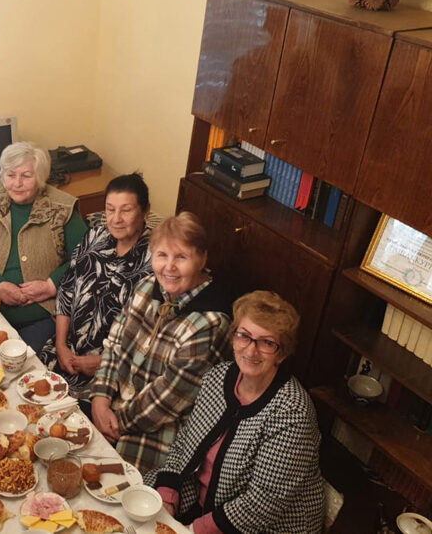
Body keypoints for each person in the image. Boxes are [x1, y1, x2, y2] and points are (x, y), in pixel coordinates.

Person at [144, 291, 325, 533]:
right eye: (244, 336)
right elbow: (185, 442)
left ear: (281, 353)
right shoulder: (218, 376)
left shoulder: (293, 412)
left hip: (264, 525)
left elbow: (263, 505)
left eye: (267, 343)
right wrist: (166, 497)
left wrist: (191, 530)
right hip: (202, 499)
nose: (251, 351)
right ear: (234, 337)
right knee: (138, 505)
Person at [90, 212, 232, 473]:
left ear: (202, 259)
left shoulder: (211, 323)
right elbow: (114, 345)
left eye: (181, 257)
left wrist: (112, 423)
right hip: (111, 408)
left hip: (159, 432)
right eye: (162, 255)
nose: (169, 267)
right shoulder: (147, 286)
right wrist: (100, 397)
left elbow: (168, 399)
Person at [0, 142, 87, 348]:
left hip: (44, 313)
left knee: (19, 358)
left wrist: (51, 285)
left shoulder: (63, 207)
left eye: (26, 176)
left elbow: (86, 257)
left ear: (41, 177)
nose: (17, 183)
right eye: (10, 174)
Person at [39, 173, 153, 412]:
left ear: (145, 212)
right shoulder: (95, 237)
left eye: (126, 210)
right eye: (110, 210)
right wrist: (61, 345)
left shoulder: (156, 259)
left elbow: (149, 335)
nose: (116, 219)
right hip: (62, 355)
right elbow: (67, 291)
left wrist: (103, 363)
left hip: (109, 377)